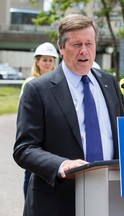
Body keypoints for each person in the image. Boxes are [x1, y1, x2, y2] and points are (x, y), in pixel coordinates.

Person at [13, 14, 124, 216]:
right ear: (61, 48)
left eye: (89, 44)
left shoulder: (110, 83)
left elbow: (123, 134)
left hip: (109, 198)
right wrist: (61, 164)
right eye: (76, 44)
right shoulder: (38, 90)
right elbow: (24, 149)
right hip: (57, 202)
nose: (84, 51)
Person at [20, 42, 58, 198]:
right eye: (44, 60)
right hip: (36, 134)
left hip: (53, 135)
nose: (48, 63)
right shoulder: (29, 83)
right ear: (37, 61)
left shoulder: (59, 82)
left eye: (50, 60)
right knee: (31, 173)